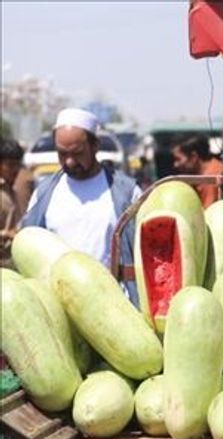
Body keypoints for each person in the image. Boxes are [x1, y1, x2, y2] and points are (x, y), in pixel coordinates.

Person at [21, 108, 141, 300]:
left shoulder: (126, 193)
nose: (69, 161)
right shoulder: (43, 196)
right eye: (62, 153)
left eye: (77, 153)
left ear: (95, 146)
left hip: (115, 305)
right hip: (60, 304)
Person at [1, 138, 33, 268]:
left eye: (17, 165)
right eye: (10, 165)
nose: (15, 170)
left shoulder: (11, 190)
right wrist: (6, 234)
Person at [171, 134, 223, 208]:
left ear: (194, 157)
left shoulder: (209, 179)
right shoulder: (215, 166)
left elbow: (206, 214)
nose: (175, 165)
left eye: (178, 159)